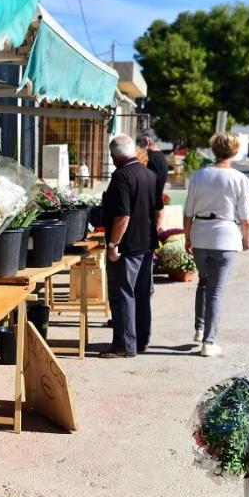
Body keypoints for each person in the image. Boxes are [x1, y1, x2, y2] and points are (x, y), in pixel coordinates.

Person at [183, 133, 249, 358]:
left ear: (213, 151)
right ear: (234, 152)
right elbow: (245, 216)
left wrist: (187, 237)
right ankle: (208, 342)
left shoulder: (199, 175)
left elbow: (188, 211)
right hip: (226, 236)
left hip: (200, 235)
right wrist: (246, 239)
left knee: (203, 283)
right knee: (217, 291)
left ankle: (199, 328)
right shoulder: (239, 178)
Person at [99, 134, 158, 358]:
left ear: (114, 156)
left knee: (122, 294)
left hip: (127, 247)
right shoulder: (149, 175)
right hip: (146, 244)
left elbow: (122, 216)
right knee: (141, 294)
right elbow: (157, 211)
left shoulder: (121, 177)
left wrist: (113, 244)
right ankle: (140, 341)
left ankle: (124, 346)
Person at [140, 129, 170, 230]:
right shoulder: (161, 157)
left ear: (147, 142)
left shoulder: (151, 159)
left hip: (149, 210)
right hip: (156, 207)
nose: (141, 146)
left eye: (142, 142)